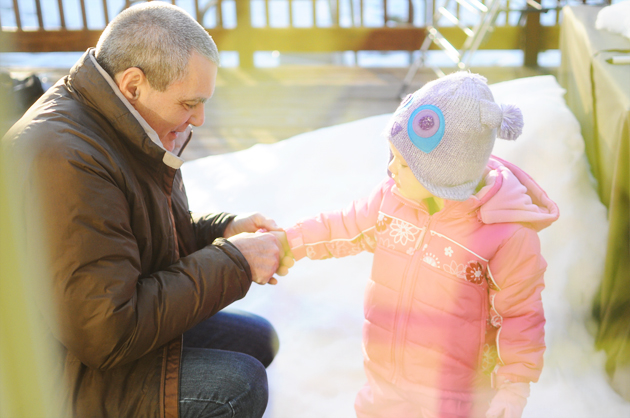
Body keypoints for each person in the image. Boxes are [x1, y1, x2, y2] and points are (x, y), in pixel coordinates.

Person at [2, 3, 293, 418]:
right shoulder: (64, 159)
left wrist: (221, 231)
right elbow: (107, 333)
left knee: (258, 339)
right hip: (52, 373)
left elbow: (133, 236)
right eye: (190, 102)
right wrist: (235, 261)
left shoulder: (116, 119)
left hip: (88, 336)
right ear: (133, 85)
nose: (200, 119)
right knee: (237, 386)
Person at [281, 72, 559, 418]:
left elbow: (520, 316)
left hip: (457, 397)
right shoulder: (392, 201)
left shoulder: (506, 235)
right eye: (392, 155)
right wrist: (287, 242)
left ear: (442, 174)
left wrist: (514, 386)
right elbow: (344, 226)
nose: (391, 169)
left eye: (404, 163)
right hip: (384, 382)